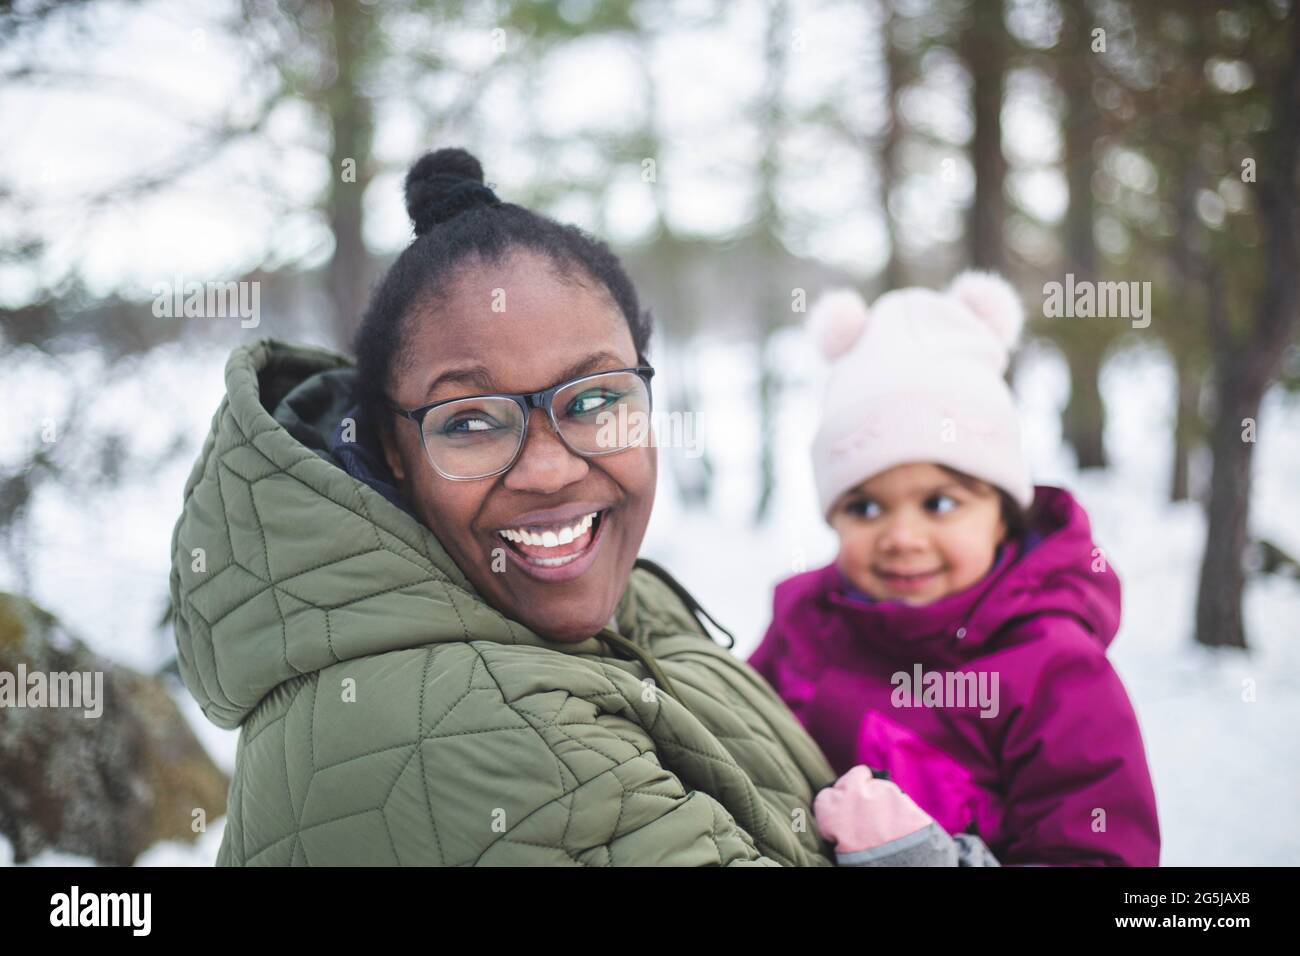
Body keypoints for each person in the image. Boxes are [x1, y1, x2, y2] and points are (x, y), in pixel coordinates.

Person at [169, 146, 975, 866]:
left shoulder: (614, 602)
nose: (551, 469)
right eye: (473, 421)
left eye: (594, 401)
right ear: (391, 453)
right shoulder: (467, 736)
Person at [750, 273, 1162, 866]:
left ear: (1002, 514)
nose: (901, 537)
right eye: (865, 507)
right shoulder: (804, 622)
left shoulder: (1055, 669)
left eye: (940, 503)